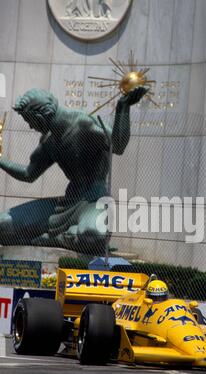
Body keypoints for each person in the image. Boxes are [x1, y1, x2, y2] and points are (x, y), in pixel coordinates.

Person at [0, 86, 147, 254]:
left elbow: (118, 145)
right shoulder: (49, 141)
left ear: (41, 117)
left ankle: (54, 238)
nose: (30, 127)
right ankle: (64, 237)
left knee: (92, 235)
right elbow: (28, 174)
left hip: (94, 202)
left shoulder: (83, 124)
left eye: (30, 121)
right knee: (2, 225)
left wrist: (123, 108)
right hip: (65, 205)